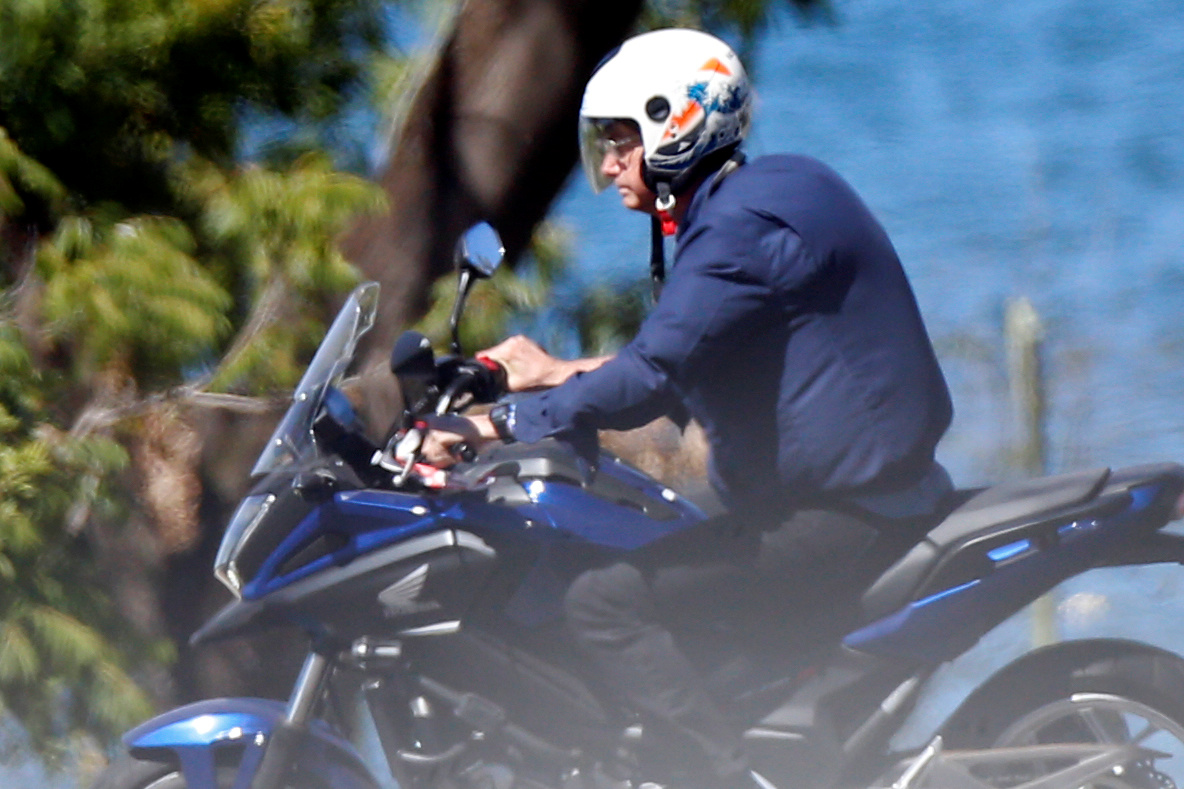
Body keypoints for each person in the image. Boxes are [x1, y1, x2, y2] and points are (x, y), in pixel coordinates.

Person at [417, 28, 955, 789]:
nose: (607, 164)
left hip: (843, 512)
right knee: (641, 534)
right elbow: (682, 361)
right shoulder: (764, 193)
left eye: (620, 142)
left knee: (601, 601)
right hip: (850, 491)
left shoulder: (738, 230)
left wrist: (489, 427)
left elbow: (654, 374)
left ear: (675, 127)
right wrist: (547, 374)